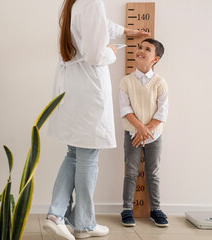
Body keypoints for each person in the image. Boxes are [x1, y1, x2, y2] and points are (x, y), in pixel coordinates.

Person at [42, 0, 150, 239]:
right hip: (88, 89)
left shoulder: (75, 3)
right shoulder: (92, 2)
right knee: (88, 155)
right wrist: (111, 52)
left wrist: (124, 31)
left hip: (74, 86)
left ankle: (56, 214)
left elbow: (96, 25)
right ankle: (83, 224)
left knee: (74, 153)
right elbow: (95, 55)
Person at [119, 38, 169, 227]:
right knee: (131, 172)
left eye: (146, 49)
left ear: (155, 59)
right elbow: (125, 109)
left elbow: (162, 112)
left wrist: (146, 130)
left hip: (154, 135)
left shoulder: (160, 82)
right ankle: (126, 209)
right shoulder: (126, 81)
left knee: (153, 172)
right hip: (132, 134)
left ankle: (156, 209)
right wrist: (139, 129)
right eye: (139, 47)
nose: (140, 50)